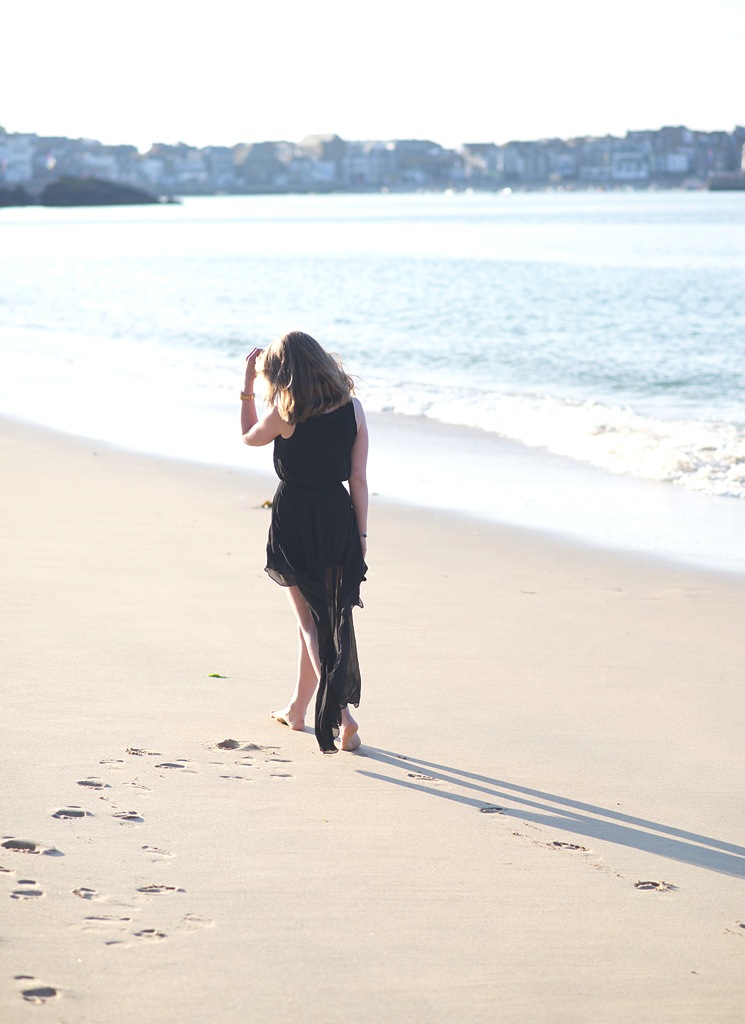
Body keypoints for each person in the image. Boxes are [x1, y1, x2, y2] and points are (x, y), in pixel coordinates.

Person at [240, 331, 368, 753]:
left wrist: (246, 391)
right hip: (338, 518)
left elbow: (249, 437)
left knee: (312, 624)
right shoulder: (353, 410)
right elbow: (359, 479)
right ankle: (297, 711)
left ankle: (344, 718)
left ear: (282, 373)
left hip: (295, 519)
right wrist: (361, 537)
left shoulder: (284, 414)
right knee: (322, 622)